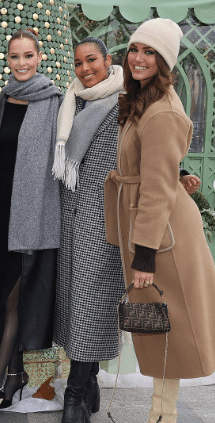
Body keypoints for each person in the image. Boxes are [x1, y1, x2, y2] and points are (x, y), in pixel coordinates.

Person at [105, 18, 215, 423]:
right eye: (135, 49)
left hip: (162, 234)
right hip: (154, 224)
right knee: (158, 324)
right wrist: (177, 172)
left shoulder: (162, 109)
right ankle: (160, 413)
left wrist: (145, 256)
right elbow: (159, 164)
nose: (138, 58)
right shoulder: (145, 100)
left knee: (167, 325)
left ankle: (162, 415)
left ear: (165, 61)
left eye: (150, 52)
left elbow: (154, 189)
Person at [0, 28, 62, 423]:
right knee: (1, 297)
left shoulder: (57, 102)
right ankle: (14, 375)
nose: (22, 63)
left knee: (14, 300)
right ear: (7, 60)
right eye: (15, 57)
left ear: (40, 57)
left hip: (33, 220)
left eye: (29, 55)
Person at [51, 37, 125, 423]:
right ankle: (89, 378)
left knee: (89, 305)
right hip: (69, 217)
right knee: (73, 304)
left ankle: (74, 395)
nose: (85, 69)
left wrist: (177, 173)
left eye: (92, 60)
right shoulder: (72, 100)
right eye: (78, 62)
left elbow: (144, 149)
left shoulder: (125, 100)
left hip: (104, 220)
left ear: (107, 61)